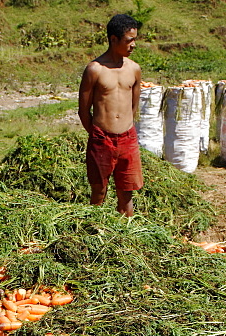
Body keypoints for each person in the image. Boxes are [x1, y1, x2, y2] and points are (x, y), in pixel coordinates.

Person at [79, 14, 143, 217]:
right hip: (101, 138)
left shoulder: (134, 69)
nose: (133, 45)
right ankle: (92, 234)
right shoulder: (95, 70)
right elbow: (83, 110)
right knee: (99, 191)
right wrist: (98, 134)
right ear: (113, 39)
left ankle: (127, 239)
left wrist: (124, 126)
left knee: (127, 194)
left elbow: (133, 105)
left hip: (127, 138)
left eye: (135, 39)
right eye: (129, 40)